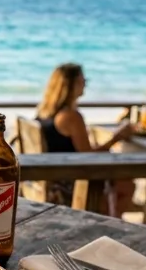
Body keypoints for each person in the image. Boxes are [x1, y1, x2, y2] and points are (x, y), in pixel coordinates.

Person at [36, 63, 135, 217]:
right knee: (127, 184)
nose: (85, 85)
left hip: (50, 180)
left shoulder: (45, 112)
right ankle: (107, 224)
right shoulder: (71, 116)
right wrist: (117, 137)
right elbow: (88, 155)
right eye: (83, 81)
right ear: (72, 85)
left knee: (121, 181)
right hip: (68, 184)